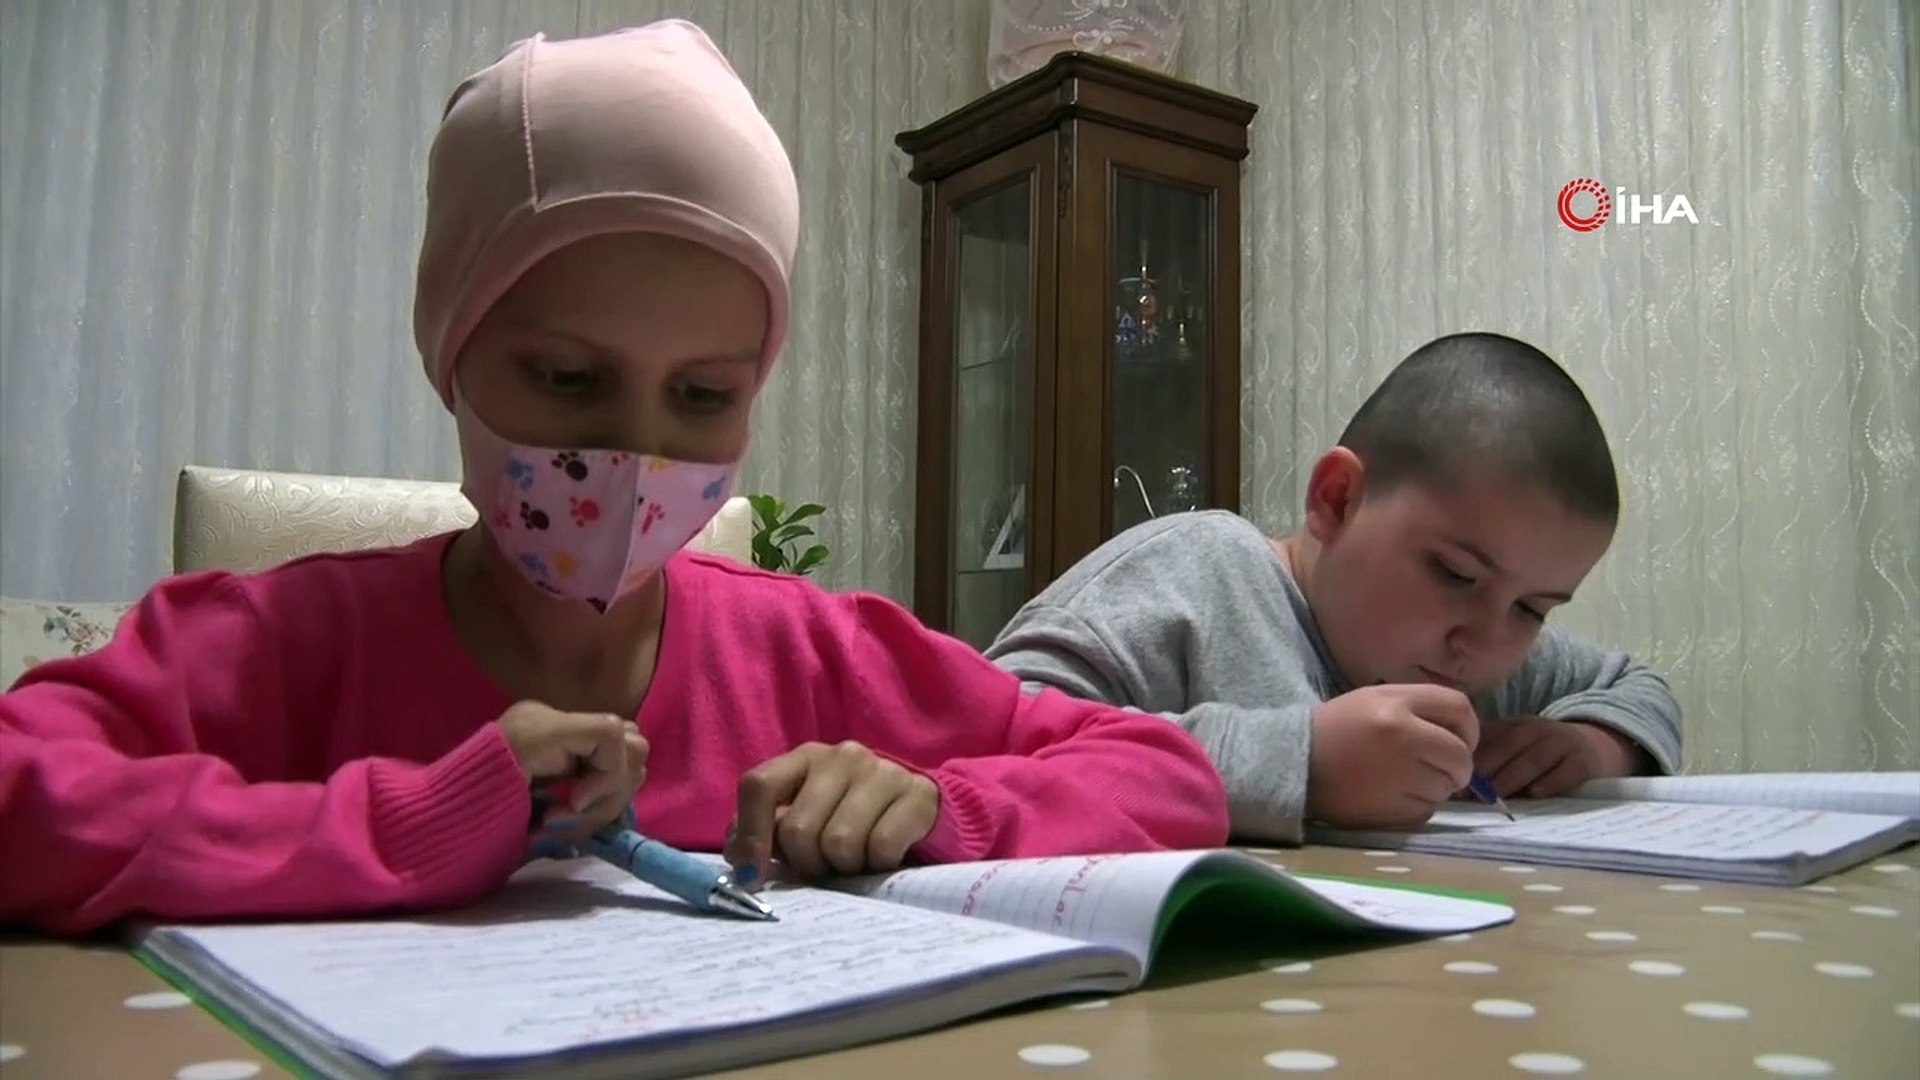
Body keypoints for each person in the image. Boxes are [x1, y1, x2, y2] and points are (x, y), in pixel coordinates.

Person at [0, 21, 1228, 934]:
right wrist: (411, 819)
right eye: (567, 379)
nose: (635, 463)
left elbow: (1165, 776)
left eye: (703, 396)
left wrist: (937, 809)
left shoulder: (812, 656)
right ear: (451, 356)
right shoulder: (282, 646)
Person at [986, 332, 1680, 843]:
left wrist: (1592, 744)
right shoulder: (1194, 580)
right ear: (1338, 497)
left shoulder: (1486, 659)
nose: (1488, 641)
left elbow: (1637, 686)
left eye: (1532, 609)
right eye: (1455, 574)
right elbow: (982, 744)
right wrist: (1305, 764)